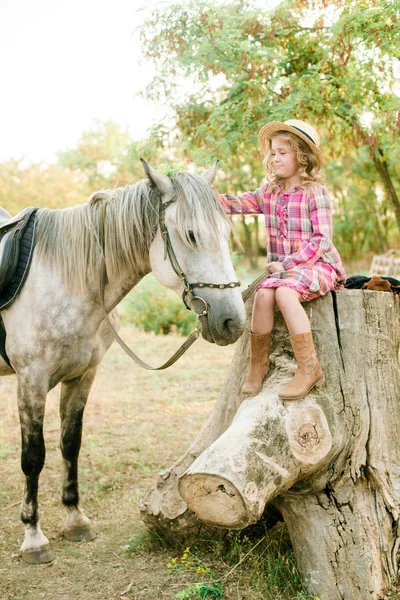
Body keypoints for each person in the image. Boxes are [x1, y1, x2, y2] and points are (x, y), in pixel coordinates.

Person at [219, 119, 346, 400]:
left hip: (317, 264)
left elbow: (321, 240)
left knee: (285, 295)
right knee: (264, 295)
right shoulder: (269, 193)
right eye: (272, 152)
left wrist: (287, 264)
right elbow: (238, 203)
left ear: (302, 157)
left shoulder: (315, 193)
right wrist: (205, 196)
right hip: (283, 272)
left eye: (282, 152)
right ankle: (258, 365)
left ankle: (309, 367)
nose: (275, 158)